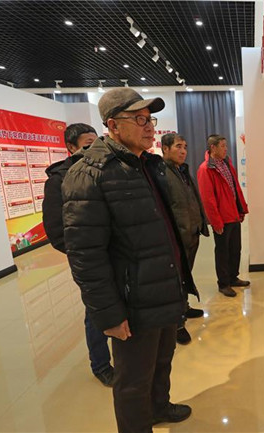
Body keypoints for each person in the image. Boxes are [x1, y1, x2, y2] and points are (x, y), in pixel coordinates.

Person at [61, 88, 196, 433]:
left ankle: (159, 407)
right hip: (132, 300)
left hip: (162, 287)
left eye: (150, 119)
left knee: (162, 361)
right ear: (113, 125)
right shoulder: (90, 173)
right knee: (133, 380)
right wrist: (108, 314)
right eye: (138, 119)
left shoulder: (147, 164)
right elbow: (85, 255)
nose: (149, 126)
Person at [42, 123, 114, 387]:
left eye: (96, 143)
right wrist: (83, 251)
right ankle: (101, 364)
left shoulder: (106, 170)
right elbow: (56, 230)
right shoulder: (58, 180)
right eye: (86, 144)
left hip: (114, 253)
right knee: (95, 309)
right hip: (88, 258)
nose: (93, 149)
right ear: (70, 147)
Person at [161, 133, 209, 344]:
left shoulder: (182, 170)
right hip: (177, 237)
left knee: (185, 276)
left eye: (185, 147)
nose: (183, 151)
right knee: (175, 280)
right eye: (178, 146)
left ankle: (184, 307)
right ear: (165, 149)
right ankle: (177, 323)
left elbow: (192, 200)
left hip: (191, 233)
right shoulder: (162, 173)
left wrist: (201, 223)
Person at [197, 134, 250, 297]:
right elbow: (208, 199)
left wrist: (241, 209)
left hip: (233, 215)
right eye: (222, 146)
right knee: (222, 252)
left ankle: (233, 277)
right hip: (222, 218)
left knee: (235, 249)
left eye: (226, 146)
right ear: (213, 147)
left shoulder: (227, 163)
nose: (226, 149)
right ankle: (224, 283)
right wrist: (216, 222)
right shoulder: (205, 169)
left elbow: (235, 188)